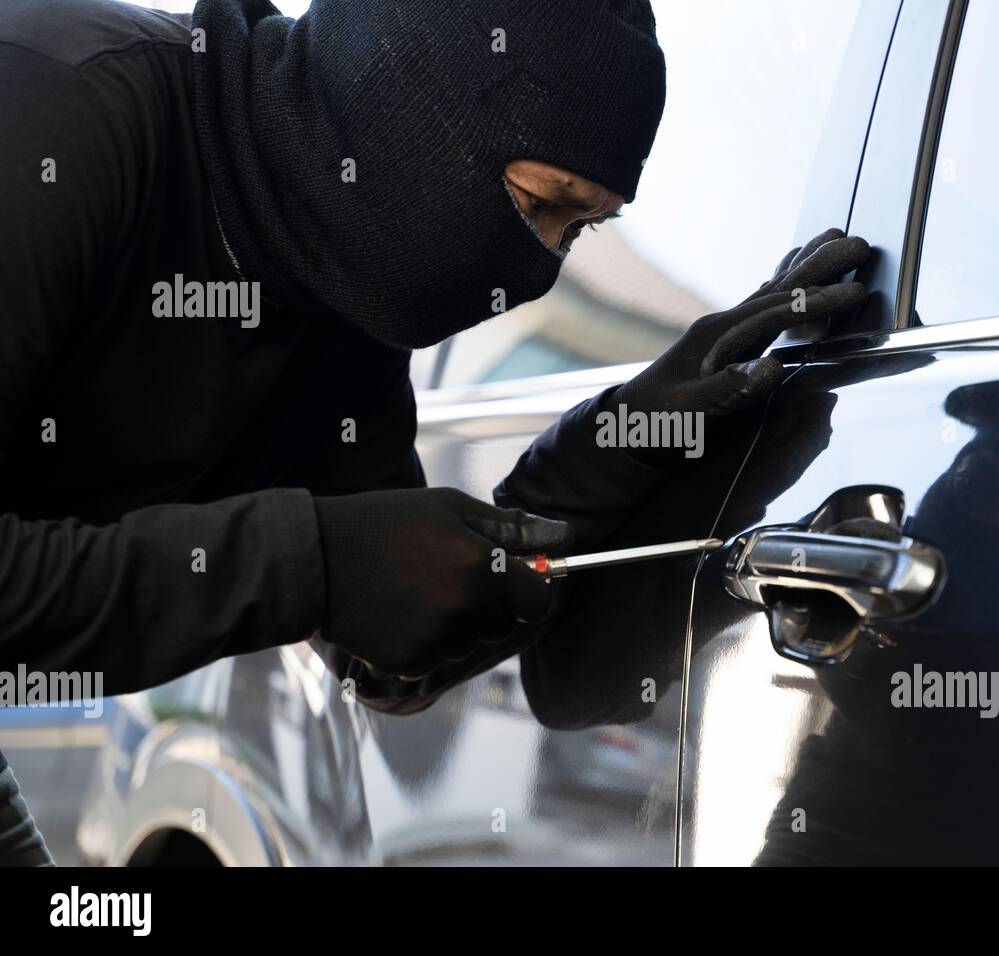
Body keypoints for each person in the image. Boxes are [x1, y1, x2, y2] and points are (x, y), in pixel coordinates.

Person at [0, 0, 871, 864]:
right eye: (536, 205)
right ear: (399, 101)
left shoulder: (340, 295)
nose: (538, 270)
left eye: (582, 230)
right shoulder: (54, 108)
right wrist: (312, 563)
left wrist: (603, 458)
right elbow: (324, 571)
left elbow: (394, 644)